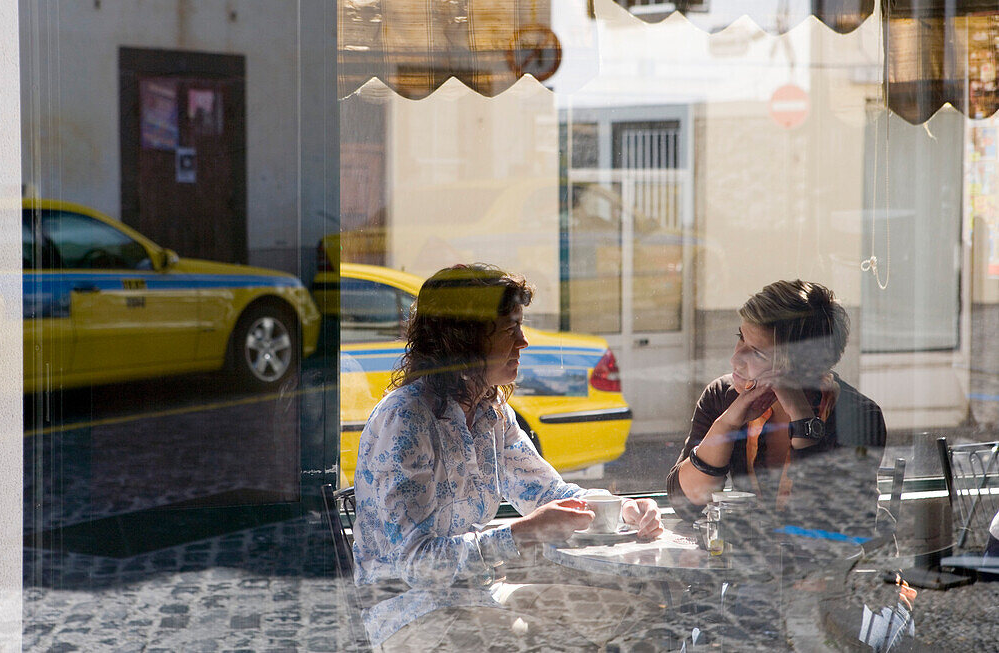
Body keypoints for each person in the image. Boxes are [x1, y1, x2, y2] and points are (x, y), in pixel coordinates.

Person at [352, 263, 664, 652]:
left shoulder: (490, 409)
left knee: (643, 616)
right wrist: (522, 532)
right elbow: (419, 563)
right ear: (462, 340)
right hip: (410, 616)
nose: (524, 342)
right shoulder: (407, 419)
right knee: (558, 644)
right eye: (509, 330)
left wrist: (620, 509)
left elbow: (546, 491)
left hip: (482, 596)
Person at [668, 279, 887, 536]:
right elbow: (686, 505)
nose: (735, 359)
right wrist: (726, 424)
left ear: (802, 368)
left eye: (758, 353)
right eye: (741, 338)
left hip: (826, 570)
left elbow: (826, 528)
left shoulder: (860, 417)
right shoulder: (723, 396)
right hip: (746, 567)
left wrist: (803, 420)